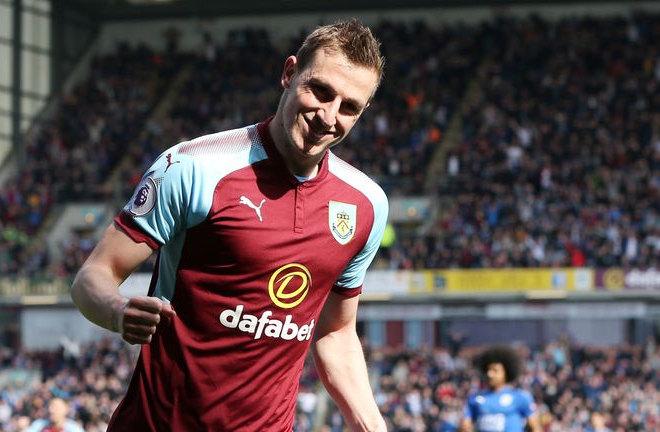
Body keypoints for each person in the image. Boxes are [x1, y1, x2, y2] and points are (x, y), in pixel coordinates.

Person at [71, 19, 388, 431]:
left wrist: (372, 426)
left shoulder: (365, 206)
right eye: (320, 91)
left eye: (349, 107)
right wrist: (118, 312)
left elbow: (335, 333)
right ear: (289, 73)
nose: (328, 116)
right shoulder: (192, 168)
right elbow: (92, 277)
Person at [459, 346, 542, 432]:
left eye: (495, 370)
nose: (490, 374)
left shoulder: (520, 397)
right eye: (488, 370)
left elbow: (535, 427)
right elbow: (465, 424)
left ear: (506, 372)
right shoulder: (475, 398)